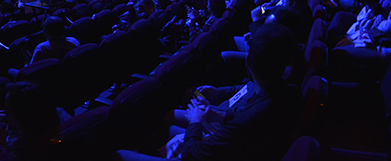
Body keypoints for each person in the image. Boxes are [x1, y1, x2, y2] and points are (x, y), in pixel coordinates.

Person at [117, 23, 302, 161]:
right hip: (236, 140)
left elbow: (193, 155)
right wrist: (217, 106)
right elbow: (247, 93)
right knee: (170, 118)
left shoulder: (242, 124)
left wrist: (195, 121)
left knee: (121, 154)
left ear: (248, 63)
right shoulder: (288, 89)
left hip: (211, 150)